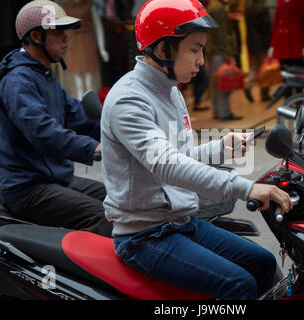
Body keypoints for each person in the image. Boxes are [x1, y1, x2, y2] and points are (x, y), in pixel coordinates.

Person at [101, 0, 292, 300]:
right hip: (144, 236)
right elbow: (167, 165)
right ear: (164, 50)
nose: (202, 60)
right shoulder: (129, 101)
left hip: (181, 223)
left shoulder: (169, 90)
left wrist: (220, 149)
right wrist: (245, 188)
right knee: (238, 284)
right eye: (194, 49)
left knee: (264, 263)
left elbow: (179, 156)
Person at [0, 0, 112, 237]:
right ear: (36, 36)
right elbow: (43, 132)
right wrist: (94, 148)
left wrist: (120, 128)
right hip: (28, 186)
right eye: (58, 32)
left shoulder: (44, 73)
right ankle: (86, 273)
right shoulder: (18, 81)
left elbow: (78, 116)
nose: (66, 39)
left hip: (56, 177)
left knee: (119, 200)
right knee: (105, 216)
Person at [206, 0, 243, 121]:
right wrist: (227, 53)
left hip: (212, 50)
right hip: (219, 51)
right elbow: (221, 33)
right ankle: (224, 112)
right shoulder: (219, 8)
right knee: (223, 81)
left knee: (215, 82)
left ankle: (217, 111)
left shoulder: (211, 6)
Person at [244, 0, 272, 103]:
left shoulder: (248, 9)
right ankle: (264, 93)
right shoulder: (263, 9)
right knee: (266, 69)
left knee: (255, 68)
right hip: (262, 44)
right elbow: (265, 28)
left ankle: (248, 84)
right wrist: (268, 44)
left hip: (252, 43)